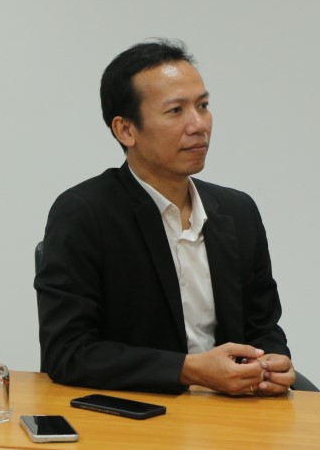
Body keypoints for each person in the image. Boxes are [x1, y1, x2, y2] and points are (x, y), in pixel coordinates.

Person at [34, 39, 295, 396]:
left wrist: (273, 361)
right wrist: (190, 370)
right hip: (139, 410)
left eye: (203, 106)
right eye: (175, 111)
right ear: (126, 130)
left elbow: (263, 326)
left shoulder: (238, 211)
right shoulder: (84, 213)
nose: (198, 125)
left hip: (232, 406)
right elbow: (68, 353)